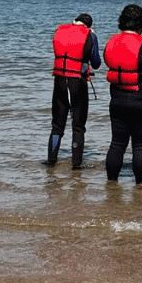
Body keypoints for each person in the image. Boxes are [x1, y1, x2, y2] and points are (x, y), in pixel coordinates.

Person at [103, 4, 142, 185]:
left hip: (117, 99)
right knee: (140, 146)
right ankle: (140, 189)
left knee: (117, 144)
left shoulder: (111, 43)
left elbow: (107, 62)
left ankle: (111, 185)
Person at [47, 11, 100, 169]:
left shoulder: (60, 31)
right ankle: (76, 166)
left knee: (57, 125)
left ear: (75, 21)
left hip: (60, 81)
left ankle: (51, 162)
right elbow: (96, 62)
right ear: (89, 26)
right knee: (78, 126)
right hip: (78, 83)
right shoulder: (90, 35)